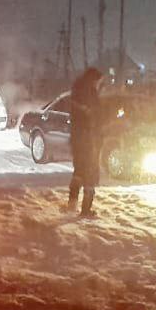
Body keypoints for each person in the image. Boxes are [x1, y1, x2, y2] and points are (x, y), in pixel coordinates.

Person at [68, 67, 102, 218]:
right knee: (90, 175)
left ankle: (72, 205)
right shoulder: (90, 94)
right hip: (88, 139)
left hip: (77, 139)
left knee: (79, 172)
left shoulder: (77, 91)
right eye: (99, 81)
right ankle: (86, 209)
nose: (99, 84)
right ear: (93, 80)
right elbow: (95, 115)